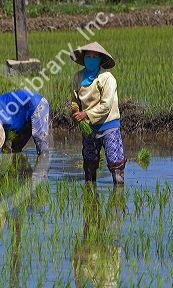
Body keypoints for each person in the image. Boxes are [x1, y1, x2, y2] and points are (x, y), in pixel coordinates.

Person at [70, 42, 126, 186]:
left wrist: (86, 114)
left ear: (100, 59)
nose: (91, 59)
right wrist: (75, 111)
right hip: (89, 127)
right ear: (84, 58)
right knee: (89, 161)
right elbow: (75, 100)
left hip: (108, 125)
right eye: (89, 56)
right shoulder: (78, 77)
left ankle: (118, 192)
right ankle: (90, 195)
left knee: (115, 162)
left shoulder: (107, 78)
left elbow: (106, 105)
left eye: (95, 57)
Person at [0, 88, 50, 156]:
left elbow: (7, 123)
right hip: (27, 110)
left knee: (40, 140)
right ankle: (20, 163)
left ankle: (43, 161)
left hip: (37, 104)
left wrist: (2, 143)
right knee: (16, 147)